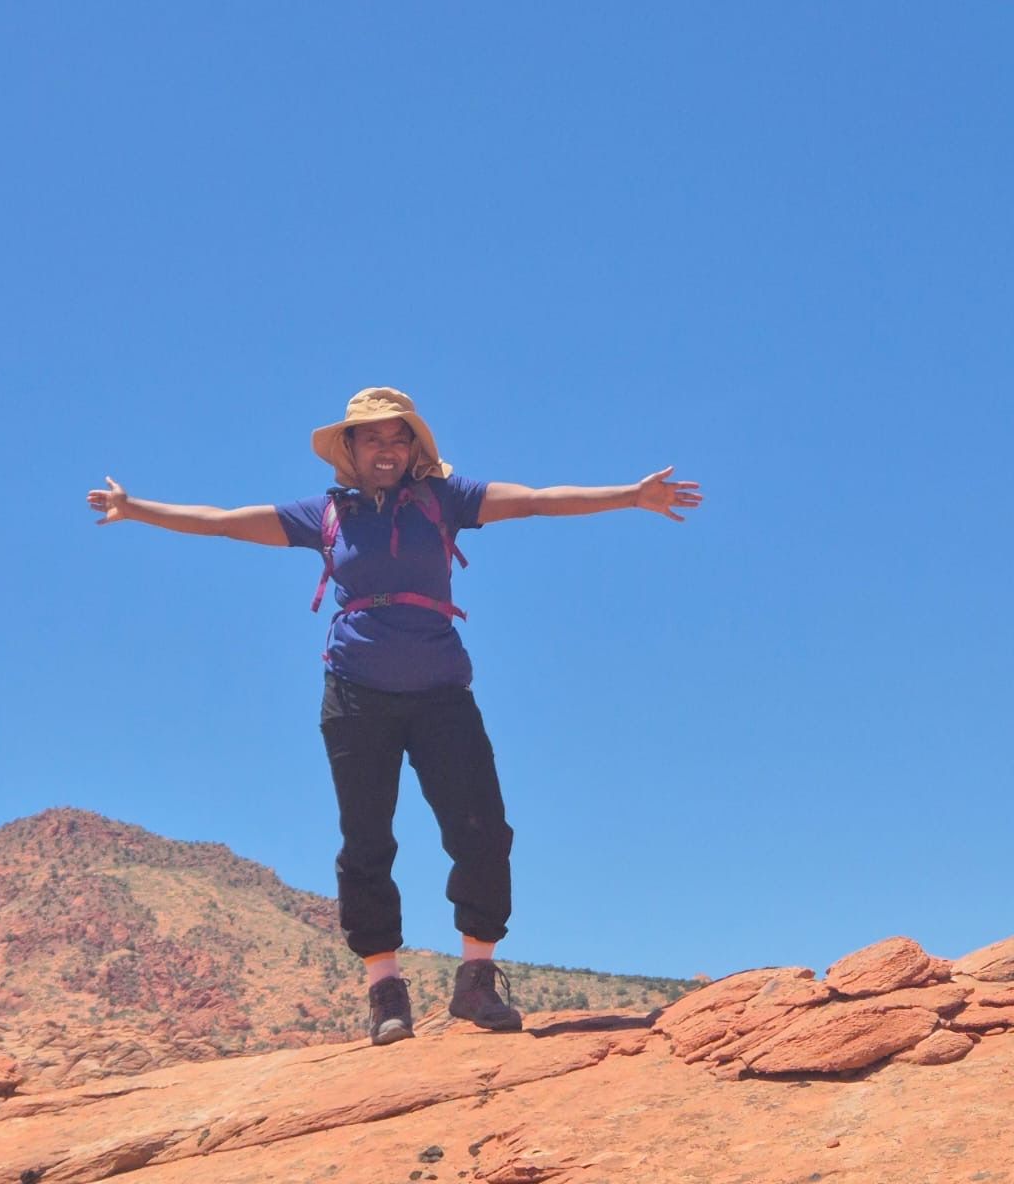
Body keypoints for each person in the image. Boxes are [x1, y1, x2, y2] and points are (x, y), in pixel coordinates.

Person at [87, 386, 702, 1047]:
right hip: (355, 696)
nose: (386, 449)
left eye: (397, 437)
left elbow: (537, 500)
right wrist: (135, 509)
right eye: (371, 438)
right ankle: (385, 989)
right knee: (367, 840)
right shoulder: (323, 515)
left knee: (483, 830)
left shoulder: (447, 500)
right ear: (349, 449)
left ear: (414, 447)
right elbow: (221, 520)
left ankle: (477, 981)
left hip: (442, 693)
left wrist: (630, 495)